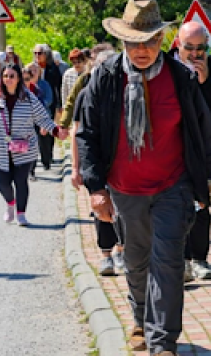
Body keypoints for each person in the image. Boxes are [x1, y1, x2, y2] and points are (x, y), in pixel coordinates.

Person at [77, 0, 211, 353]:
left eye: (150, 41)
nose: (142, 50)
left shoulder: (181, 78)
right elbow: (88, 134)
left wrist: (204, 180)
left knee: (168, 261)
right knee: (137, 262)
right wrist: (96, 188)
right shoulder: (105, 78)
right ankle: (140, 318)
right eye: (134, 42)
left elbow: (203, 132)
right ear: (123, 42)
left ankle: (161, 341)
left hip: (173, 185)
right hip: (125, 189)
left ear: (161, 41)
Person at [169, 21, 211, 283]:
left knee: (201, 200)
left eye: (200, 48)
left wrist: (205, 81)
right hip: (172, 144)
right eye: (189, 48)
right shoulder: (166, 67)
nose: (195, 54)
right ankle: (180, 260)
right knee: (174, 201)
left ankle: (200, 258)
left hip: (205, 144)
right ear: (177, 44)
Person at [0, 63, 66, 226]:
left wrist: (55, 130)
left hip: (24, 149)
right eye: (5, 76)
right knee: (3, 184)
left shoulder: (28, 98)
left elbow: (42, 117)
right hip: (1, 150)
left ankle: (21, 213)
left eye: (12, 76)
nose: (8, 79)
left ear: (18, 79)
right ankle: (10, 203)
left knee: (21, 182)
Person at [68, 50, 126, 276]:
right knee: (101, 208)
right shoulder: (85, 95)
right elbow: (78, 133)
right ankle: (106, 255)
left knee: (122, 209)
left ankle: (121, 249)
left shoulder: (124, 91)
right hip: (96, 161)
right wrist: (75, 167)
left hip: (120, 162)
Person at [32, 43, 63, 170]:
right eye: (35, 53)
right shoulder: (31, 68)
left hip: (50, 103)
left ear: (46, 55)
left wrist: (59, 104)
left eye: (40, 53)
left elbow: (58, 86)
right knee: (35, 132)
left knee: (48, 131)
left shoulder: (52, 68)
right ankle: (35, 160)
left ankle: (47, 156)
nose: (37, 56)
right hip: (34, 104)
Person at [25, 63, 54, 172]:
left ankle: (46, 161)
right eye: (30, 70)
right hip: (28, 119)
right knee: (31, 144)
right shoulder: (22, 86)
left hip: (42, 116)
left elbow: (49, 99)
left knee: (44, 142)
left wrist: (38, 107)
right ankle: (31, 170)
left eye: (35, 70)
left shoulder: (44, 85)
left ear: (39, 72)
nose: (33, 73)